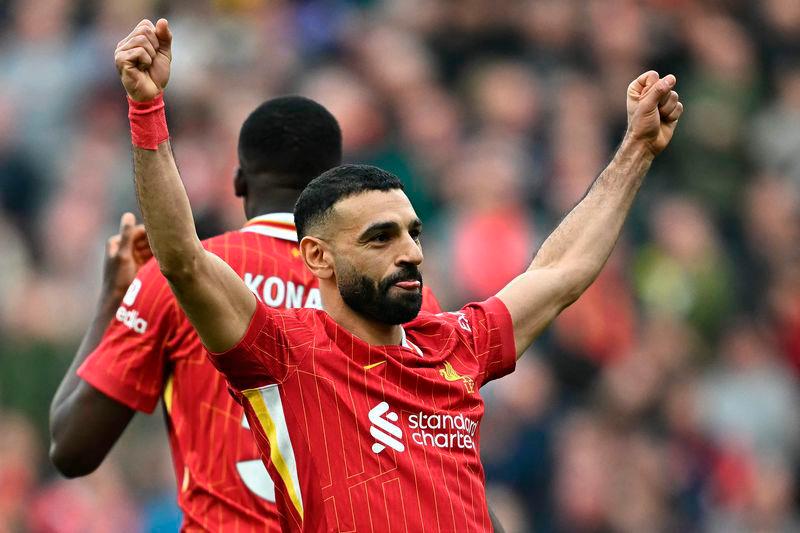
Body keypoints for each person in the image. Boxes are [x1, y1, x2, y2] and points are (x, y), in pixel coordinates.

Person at [114, 18, 683, 532]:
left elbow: (561, 270)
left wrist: (636, 149)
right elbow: (184, 261)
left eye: (413, 232)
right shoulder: (284, 356)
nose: (409, 251)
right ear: (318, 258)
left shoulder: (457, 344)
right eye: (380, 238)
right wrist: (146, 109)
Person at [49, 67, 442, 530]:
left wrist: (112, 300)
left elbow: (72, 449)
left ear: (239, 182)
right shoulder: (398, 291)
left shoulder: (178, 281)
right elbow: (444, 463)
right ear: (339, 184)